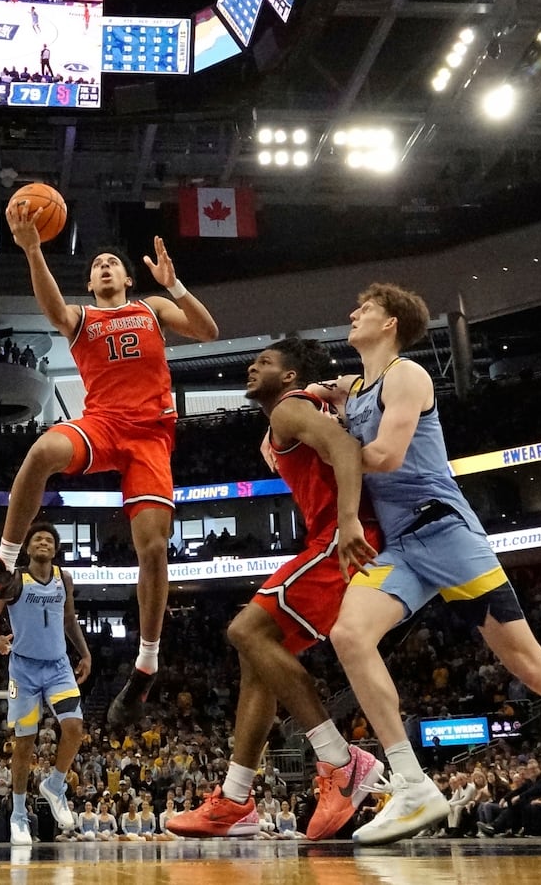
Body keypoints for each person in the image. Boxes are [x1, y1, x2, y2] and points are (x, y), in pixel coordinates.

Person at [316, 282, 541, 844]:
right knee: (348, 634)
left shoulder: (407, 376)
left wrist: (327, 445)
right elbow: (313, 400)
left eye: (364, 308)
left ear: (391, 323)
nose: (352, 311)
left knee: (533, 670)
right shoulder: (357, 387)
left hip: (445, 533)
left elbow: (387, 456)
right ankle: (413, 785)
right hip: (402, 548)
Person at [0, 219, 219, 727]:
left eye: (112, 264)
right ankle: (3, 568)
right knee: (39, 452)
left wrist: (175, 285)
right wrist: (33, 249)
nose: (104, 268)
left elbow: (208, 331)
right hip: (101, 423)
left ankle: (146, 661)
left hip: (150, 435)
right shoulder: (79, 316)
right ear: (91, 282)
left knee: (152, 548)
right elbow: (52, 308)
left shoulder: (152, 308)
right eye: (97, 265)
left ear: (127, 280)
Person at [168, 339, 384, 839]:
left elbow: (346, 448)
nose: (252, 365)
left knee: (244, 630)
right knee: (257, 659)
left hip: (342, 539)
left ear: (289, 377)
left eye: (265, 362)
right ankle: (236, 799)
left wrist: (349, 521)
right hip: (330, 538)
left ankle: (339, 759)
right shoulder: (290, 415)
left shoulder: (290, 409)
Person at [0, 523, 91, 846]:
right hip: (24, 670)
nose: (43, 542)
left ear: (55, 549)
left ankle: (54, 785)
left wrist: (84, 653)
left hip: (59, 666)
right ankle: (18, 815)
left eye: (49, 539)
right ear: (27, 549)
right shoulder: (14, 580)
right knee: (25, 742)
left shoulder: (64, 579)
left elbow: (69, 620)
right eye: (37, 539)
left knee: (74, 727)